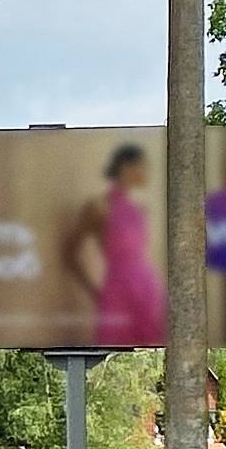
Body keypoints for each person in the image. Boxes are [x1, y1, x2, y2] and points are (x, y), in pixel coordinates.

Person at [64, 143, 166, 347]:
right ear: (127, 167)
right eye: (142, 166)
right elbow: (69, 251)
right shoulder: (99, 207)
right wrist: (93, 290)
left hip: (147, 287)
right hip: (117, 289)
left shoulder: (140, 209)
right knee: (114, 343)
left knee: (155, 342)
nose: (146, 172)